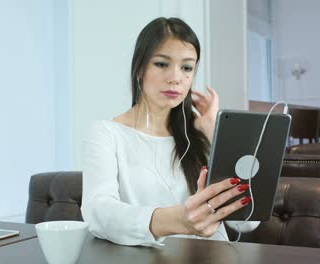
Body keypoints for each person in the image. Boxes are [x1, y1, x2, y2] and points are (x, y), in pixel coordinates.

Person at [81, 17, 256, 247]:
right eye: (162, 64)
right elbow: (98, 213)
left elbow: (248, 222)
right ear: (139, 68)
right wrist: (178, 221)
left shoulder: (200, 134)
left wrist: (214, 132)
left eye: (186, 67)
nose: (175, 78)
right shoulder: (106, 134)